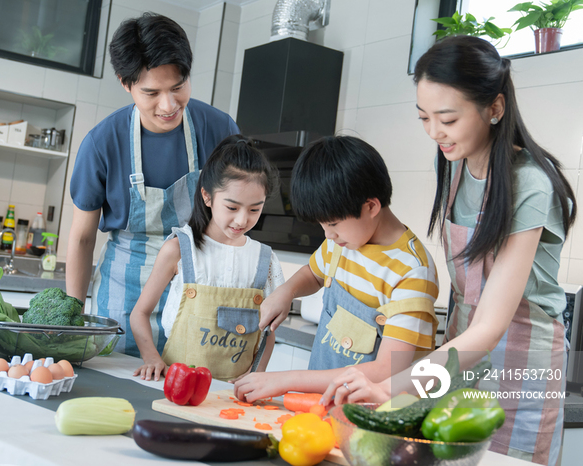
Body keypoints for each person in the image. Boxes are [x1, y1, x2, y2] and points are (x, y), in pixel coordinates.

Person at [322, 36, 577, 466]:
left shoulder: (530, 184)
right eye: (424, 117)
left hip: (520, 366)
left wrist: (393, 386)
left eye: (448, 118)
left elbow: (491, 325)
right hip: (459, 358)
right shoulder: (456, 165)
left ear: (494, 108)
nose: (434, 132)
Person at [67, 13, 239, 357]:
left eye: (178, 87)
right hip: (122, 297)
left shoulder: (221, 131)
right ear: (125, 83)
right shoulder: (102, 142)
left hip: (198, 295)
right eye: (151, 92)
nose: (168, 105)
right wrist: (72, 315)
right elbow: (83, 237)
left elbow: (237, 224)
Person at [233, 136, 439, 401]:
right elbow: (314, 274)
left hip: (376, 417)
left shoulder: (411, 271)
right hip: (328, 402)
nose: (328, 235)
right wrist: (286, 292)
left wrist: (287, 379)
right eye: (322, 226)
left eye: (332, 224)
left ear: (371, 206)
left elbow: (387, 369)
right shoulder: (343, 242)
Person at [130, 135, 285, 381]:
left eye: (255, 209)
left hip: (233, 392)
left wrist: (256, 375)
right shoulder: (180, 249)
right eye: (232, 207)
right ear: (207, 196)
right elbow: (139, 313)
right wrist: (151, 357)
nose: (242, 220)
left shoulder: (265, 260)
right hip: (177, 384)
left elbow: (269, 332)